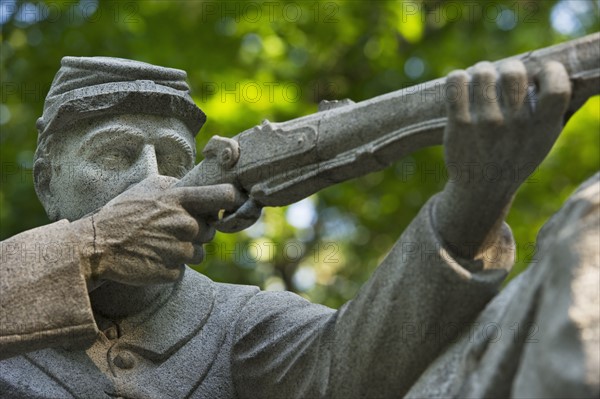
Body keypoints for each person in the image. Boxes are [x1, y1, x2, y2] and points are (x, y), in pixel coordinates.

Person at [0, 56, 596, 398]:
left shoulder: (232, 322)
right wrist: (91, 250)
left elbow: (354, 368)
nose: (151, 179)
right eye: (114, 154)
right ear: (48, 183)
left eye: (175, 161)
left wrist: (475, 195)